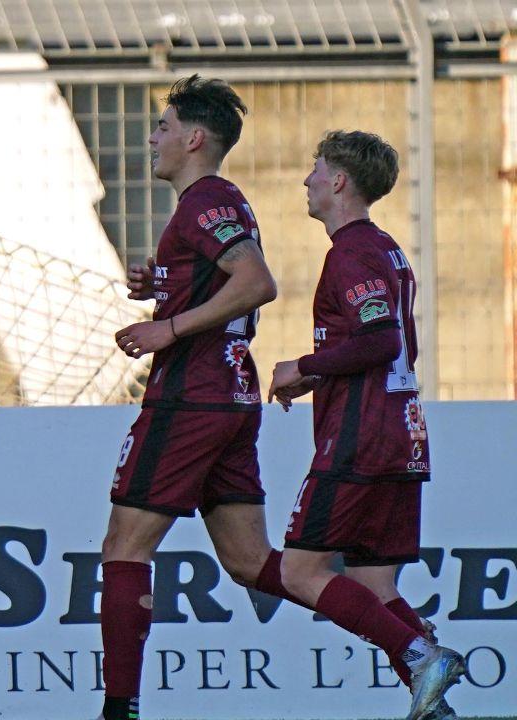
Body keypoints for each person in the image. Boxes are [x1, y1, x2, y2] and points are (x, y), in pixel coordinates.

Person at [98, 75, 282, 720]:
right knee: (250, 562)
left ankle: (118, 709)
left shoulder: (206, 200)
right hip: (229, 392)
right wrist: (167, 286)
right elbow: (224, 279)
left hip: (191, 394)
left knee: (124, 547)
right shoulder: (205, 205)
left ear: (195, 138)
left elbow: (256, 281)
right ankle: (414, 648)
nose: (153, 137)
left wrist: (166, 327)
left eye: (164, 126)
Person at [266, 130, 465, 720]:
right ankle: (431, 695)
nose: (307, 180)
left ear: (339, 182)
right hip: (400, 433)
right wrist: (320, 376)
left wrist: (302, 365)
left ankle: (418, 653)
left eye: (315, 168)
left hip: (360, 440)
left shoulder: (350, 252)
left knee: (300, 570)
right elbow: (398, 345)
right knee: (375, 582)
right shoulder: (387, 249)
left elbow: (381, 339)